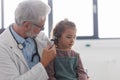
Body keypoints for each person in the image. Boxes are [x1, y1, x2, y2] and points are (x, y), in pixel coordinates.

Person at [0, 0, 56, 80]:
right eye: (41, 27)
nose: (42, 30)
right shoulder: (2, 47)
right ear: (27, 25)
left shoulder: (40, 37)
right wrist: (43, 63)